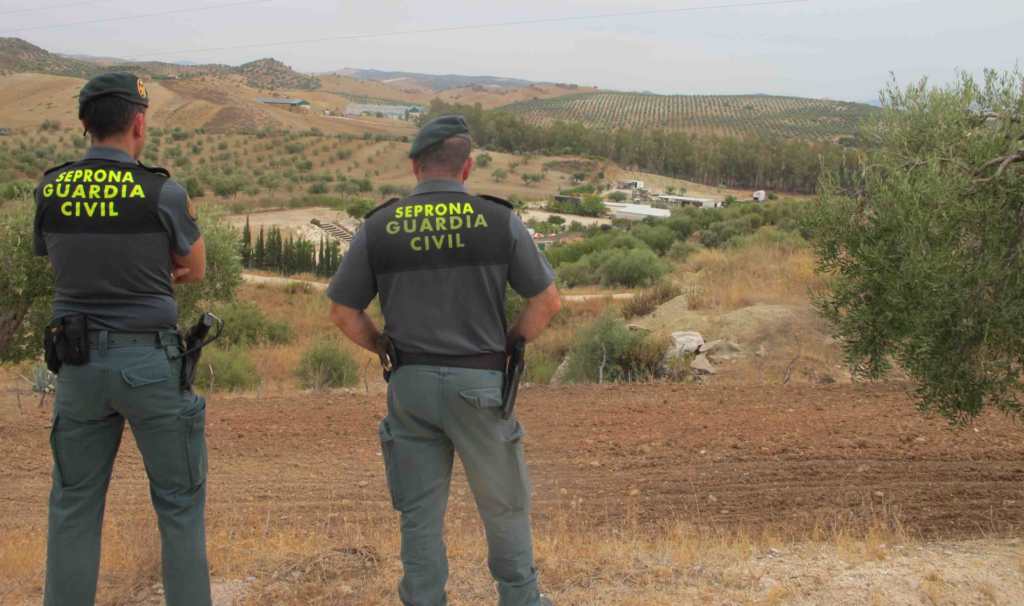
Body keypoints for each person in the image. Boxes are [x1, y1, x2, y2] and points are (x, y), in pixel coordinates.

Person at [327, 115, 562, 606]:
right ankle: (521, 599)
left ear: (415, 167)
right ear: (468, 168)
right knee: (504, 505)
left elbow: (343, 312)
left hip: (409, 386)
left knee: (419, 513)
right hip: (480, 384)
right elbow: (546, 302)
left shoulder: (379, 226)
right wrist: (508, 343)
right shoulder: (500, 221)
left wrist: (383, 348)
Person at [33, 72, 211, 606]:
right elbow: (196, 268)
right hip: (151, 363)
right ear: (138, 121)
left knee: (72, 505)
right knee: (178, 505)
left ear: (84, 123)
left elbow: (58, 258)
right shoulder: (163, 191)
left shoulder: (51, 187)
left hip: (78, 366)